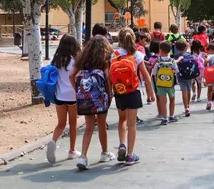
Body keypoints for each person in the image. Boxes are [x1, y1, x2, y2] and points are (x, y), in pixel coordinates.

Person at [111, 28, 155, 166]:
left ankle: (122, 144)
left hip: (119, 91)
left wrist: (109, 92)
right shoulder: (137, 55)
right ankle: (130, 154)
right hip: (133, 91)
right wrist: (151, 92)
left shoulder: (114, 54)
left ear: (120, 39)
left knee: (122, 120)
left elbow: (109, 75)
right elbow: (146, 75)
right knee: (132, 123)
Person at [69, 36, 114, 170]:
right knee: (101, 125)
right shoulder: (104, 60)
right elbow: (108, 77)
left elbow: (71, 75)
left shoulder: (82, 59)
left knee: (89, 126)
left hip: (85, 98)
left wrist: (77, 90)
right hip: (100, 97)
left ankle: (83, 157)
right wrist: (110, 93)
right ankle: (105, 153)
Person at [46, 35, 81, 164]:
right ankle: (72, 150)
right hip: (72, 95)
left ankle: (53, 141)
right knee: (73, 123)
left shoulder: (55, 61)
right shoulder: (74, 62)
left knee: (61, 123)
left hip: (59, 96)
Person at [152, 41, 178, 125]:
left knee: (163, 101)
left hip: (160, 84)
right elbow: (176, 70)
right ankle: (172, 115)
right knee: (172, 99)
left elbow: (155, 73)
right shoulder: (172, 60)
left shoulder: (158, 61)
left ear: (160, 50)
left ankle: (165, 118)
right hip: (170, 84)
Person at [175, 40, 199, 117]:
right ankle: (188, 106)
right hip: (190, 75)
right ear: (186, 47)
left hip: (181, 76)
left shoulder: (176, 56)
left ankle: (186, 107)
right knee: (188, 90)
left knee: (183, 91)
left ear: (176, 48)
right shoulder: (190, 55)